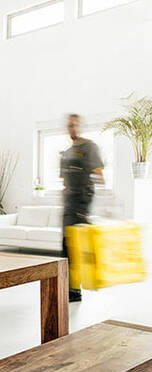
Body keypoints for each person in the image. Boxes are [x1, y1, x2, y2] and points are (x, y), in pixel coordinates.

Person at [60, 114, 104, 303]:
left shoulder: (90, 147)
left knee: (75, 247)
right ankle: (70, 288)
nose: (73, 129)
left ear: (81, 126)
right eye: (70, 125)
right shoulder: (66, 152)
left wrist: (101, 207)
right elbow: (64, 182)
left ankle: (74, 290)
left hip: (82, 204)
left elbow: (99, 176)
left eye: (76, 125)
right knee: (66, 247)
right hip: (68, 205)